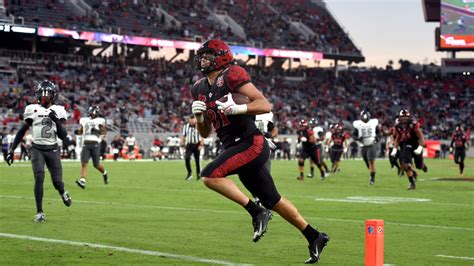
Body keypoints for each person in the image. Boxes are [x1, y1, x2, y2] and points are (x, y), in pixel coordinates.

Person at [191, 39, 328, 264]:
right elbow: (205, 133)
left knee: (209, 176)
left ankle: (257, 212)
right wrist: (198, 118)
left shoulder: (232, 74)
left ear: (222, 57)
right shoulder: (198, 88)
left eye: (208, 55)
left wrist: (239, 108)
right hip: (235, 146)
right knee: (273, 199)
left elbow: (264, 104)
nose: (203, 59)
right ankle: (314, 236)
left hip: (250, 142)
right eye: (202, 56)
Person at [5, 80, 72, 222]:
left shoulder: (59, 110)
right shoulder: (32, 109)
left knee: (57, 182)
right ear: (38, 95)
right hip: (37, 149)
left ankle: (62, 191)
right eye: (42, 94)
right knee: (39, 176)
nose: (44, 97)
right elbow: (22, 130)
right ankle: (40, 211)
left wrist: (57, 121)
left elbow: (63, 136)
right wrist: (11, 149)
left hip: (53, 149)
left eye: (47, 95)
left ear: (53, 96)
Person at [75, 106, 109, 189]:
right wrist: (77, 132)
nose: (92, 114)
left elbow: (104, 133)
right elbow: (81, 131)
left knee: (96, 165)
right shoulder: (84, 120)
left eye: (93, 113)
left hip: (95, 144)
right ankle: (82, 180)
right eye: (91, 112)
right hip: (86, 144)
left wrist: (97, 131)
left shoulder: (100, 121)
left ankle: (104, 173)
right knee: (84, 163)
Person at [391, 109, 426, 190]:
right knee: (406, 165)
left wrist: (420, 147)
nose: (404, 119)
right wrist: (395, 149)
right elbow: (398, 138)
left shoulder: (413, 124)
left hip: (416, 144)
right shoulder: (398, 126)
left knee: (419, 165)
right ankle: (412, 183)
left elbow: (421, 137)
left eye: (406, 117)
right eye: (402, 117)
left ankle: (422, 165)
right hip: (406, 143)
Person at [352, 111, 380, 185]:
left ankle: (372, 178)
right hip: (363, 145)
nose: (365, 119)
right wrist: (358, 138)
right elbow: (354, 135)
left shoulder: (373, 123)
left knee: (371, 161)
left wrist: (377, 138)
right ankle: (372, 172)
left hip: (372, 144)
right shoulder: (358, 124)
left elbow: (378, 133)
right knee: (366, 162)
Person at [181, 115, 203, 180]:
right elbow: (184, 136)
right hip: (189, 145)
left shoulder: (199, 126)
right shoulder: (186, 126)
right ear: (189, 120)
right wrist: (183, 144)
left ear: (195, 120)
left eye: (193, 119)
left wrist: (201, 145)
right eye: (191, 119)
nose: (192, 121)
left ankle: (198, 174)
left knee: (197, 160)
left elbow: (202, 136)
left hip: (197, 144)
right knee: (187, 158)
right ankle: (189, 173)